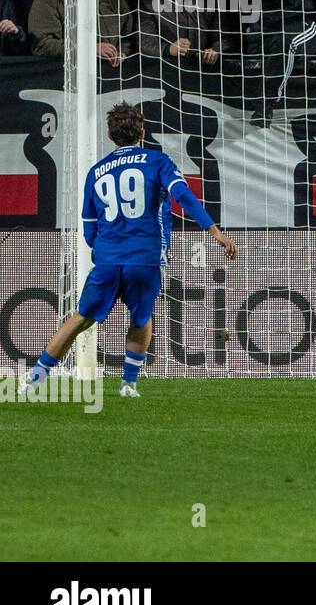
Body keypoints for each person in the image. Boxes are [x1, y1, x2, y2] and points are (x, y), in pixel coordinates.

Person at [21, 103, 238, 399]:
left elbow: (88, 226)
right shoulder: (157, 161)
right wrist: (215, 232)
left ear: (110, 135)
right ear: (142, 132)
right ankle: (128, 384)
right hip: (145, 257)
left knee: (80, 317)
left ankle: (35, 377)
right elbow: (183, 197)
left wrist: (102, 252)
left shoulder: (96, 172)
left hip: (108, 258)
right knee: (141, 317)